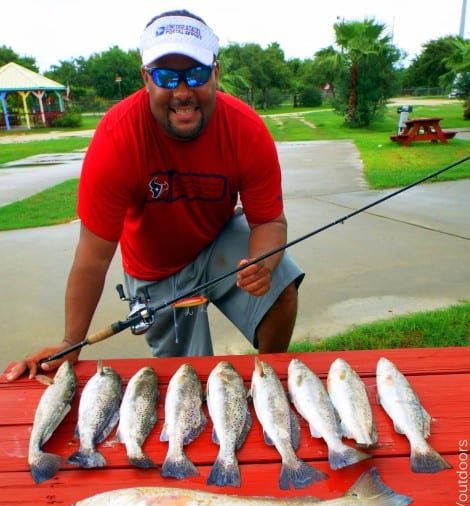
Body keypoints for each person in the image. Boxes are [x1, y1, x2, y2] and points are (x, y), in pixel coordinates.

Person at [6, 9, 304, 381]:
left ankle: (269, 379)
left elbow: (270, 221)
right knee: (186, 381)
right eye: (166, 76)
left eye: (195, 74)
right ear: (146, 77)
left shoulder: (247, 130)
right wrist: (71, 343)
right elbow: (93, 258)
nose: (182, 92)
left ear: (216, 72)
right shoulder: (117, 137)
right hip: (154, 270)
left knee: (282, 283)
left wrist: (263, 261)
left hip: (217, 242)